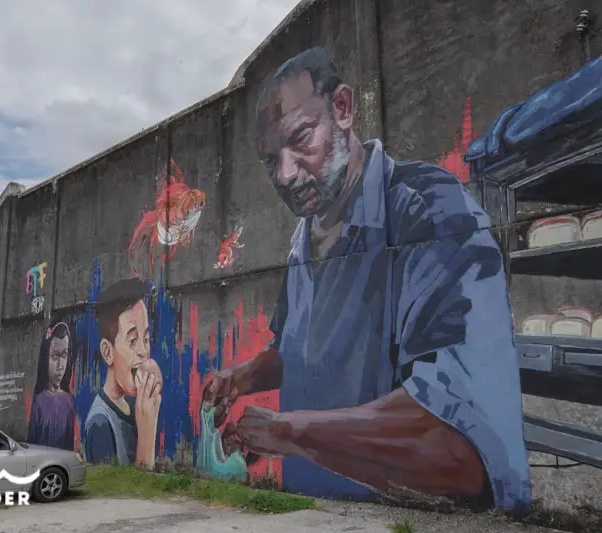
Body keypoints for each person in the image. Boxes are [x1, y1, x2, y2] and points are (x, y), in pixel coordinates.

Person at [202, 47, 530, 511]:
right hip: (317, 513)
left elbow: (460, 445)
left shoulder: (432, 214)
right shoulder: (303, 240)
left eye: (300, 139)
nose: (287, 173)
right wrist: (244, 376)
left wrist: (286, 431)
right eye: (270, 161)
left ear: (342, 108)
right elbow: (298, 350)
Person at [84, 278, 163, 469]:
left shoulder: (133, 404)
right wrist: (146, 435)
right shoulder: (100, 424)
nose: (144, 350)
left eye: (146, 339)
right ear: (108, 352)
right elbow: (122, 496)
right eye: (133, 341)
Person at [27, 320, 75, 450]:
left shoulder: (69, 402)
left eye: (64, 355)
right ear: (45, 358)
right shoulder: (39, 401)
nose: (60, 366)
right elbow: (32, 441)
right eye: (55, 356)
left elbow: (70, 443)